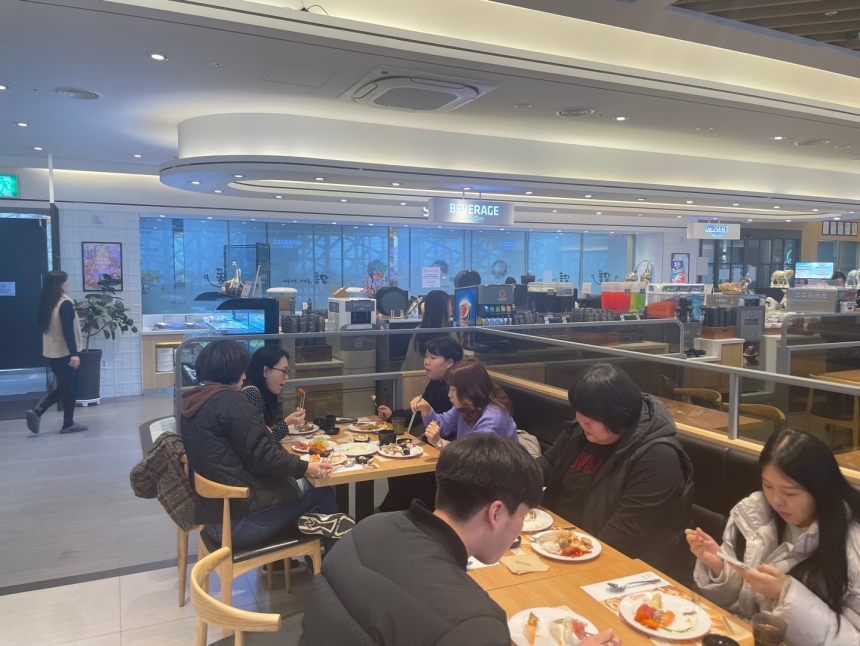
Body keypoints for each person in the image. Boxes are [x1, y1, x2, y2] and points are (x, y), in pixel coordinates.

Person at [299, 433, 621, 646]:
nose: (521, 528)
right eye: (523, 515)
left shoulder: (369, 527)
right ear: (496, 513)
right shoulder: (475, 623)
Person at [688, 429, 860, 646]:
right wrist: (720, 568)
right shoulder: (752, 515)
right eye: (767, 485)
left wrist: (786, 595)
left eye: (790, 493)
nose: (776, 500)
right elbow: (733, 608)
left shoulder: (852, 546)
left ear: (821, 488)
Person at [180, 340, 353, 548]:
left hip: (215, 518)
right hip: (240, 523)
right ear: (230, 370)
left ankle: (309, 545)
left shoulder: (195, 402)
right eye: (242, 370)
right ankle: (334, 556)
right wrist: (306, 467)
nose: (245, 376)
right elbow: (263, 457)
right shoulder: (233, 403)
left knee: (298, 486)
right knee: (318, 488)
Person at [538, 363, 694, 581]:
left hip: (619, 570)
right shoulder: (581, 431)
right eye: (579, 411)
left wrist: (566, 556)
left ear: (618, 415)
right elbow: (545, 465)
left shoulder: (658, 457)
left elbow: (626, 534)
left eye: (591, 416)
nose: (582, 420)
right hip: (560, 543)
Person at [378, 337, 464, 512]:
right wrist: (393, 415)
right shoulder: (436, 383)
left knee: (408, 472)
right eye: (426, 356)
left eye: (433, 358)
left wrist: (437, 440)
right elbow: (425, 415)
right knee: (397, 465)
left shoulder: (456, 391)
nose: (426, 362)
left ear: (450, 362)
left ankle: (397, 513)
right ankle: (395, 513)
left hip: (449, 452)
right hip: (435, 444)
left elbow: (446, 429)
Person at [26, 270, 88, 434]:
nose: (68, 284)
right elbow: (68, 331)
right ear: (59, 285)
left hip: (52, 354)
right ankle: (61, 420)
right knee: (71, 387)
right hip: (65, 354)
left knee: (67, 386)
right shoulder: (64, 304)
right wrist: (74, 354)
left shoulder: (48, 303)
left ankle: (50, 416)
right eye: (65, 281)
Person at [416, 357, 518, 449]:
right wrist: (427, 410)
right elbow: (442, 426)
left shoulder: (493, 418)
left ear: (469, 391)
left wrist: (439, 442)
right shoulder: (466, 406)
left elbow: (473, 456)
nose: (449, 394)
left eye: (453, 390)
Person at [242, 345, 306, 442]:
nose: (286, 377)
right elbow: (263, 443)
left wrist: (290, 422)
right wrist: (287, 422)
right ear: (266, 371)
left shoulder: (266, 393)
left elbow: (268, 434)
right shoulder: (251, 393)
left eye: (287, 372)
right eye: (283, 371)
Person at [399, 289, 455, 371]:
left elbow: (409, 362)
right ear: (443, 308)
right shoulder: (448, 334)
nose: (451, 308)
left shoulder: (418, 332)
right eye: (449, 304)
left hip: (414, 377)